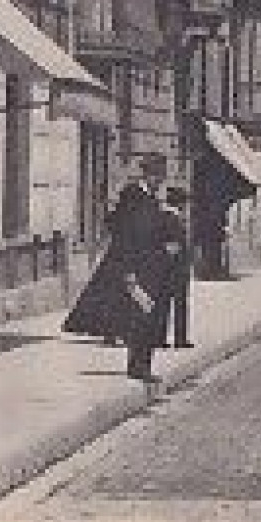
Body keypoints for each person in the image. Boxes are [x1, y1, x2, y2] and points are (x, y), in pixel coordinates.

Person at [64, 159, 170, 382]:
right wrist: (129, 272)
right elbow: (124, 234)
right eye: (157, 176)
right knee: (140, 316)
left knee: (147, 316)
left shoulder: (150, 199)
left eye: (161, 177)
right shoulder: (132, 197)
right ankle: (138, 366)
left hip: (150, 266)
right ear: (148, 175)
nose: (160, 181)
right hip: (134, 266)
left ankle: (141, 365)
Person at [154, 187, 193, 349]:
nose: (186, 207)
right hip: (174, 268)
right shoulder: (172, 218)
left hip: (171, 268)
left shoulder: (167, 216)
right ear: (180, 203)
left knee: (164, 304)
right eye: (185, 202)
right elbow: (172, 244)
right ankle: (178, 339)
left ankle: (162, 338)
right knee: (178, 304)